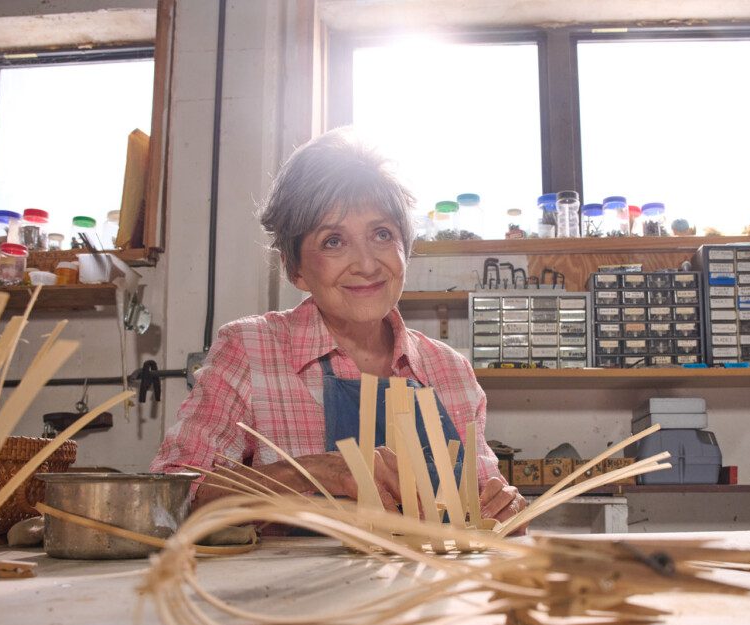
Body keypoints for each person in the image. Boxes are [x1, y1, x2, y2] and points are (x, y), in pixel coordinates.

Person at [151, 128, 528, 529]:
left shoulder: (448, 370)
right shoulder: (250, 349)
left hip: (429, 591)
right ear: (294, 268)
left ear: (405, 248)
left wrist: (505, 509)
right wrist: (309, 472)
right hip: (293, 592)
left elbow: (487, 502)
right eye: (333, 241)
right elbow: (171, 497)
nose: (366, 264)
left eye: (382, 234)